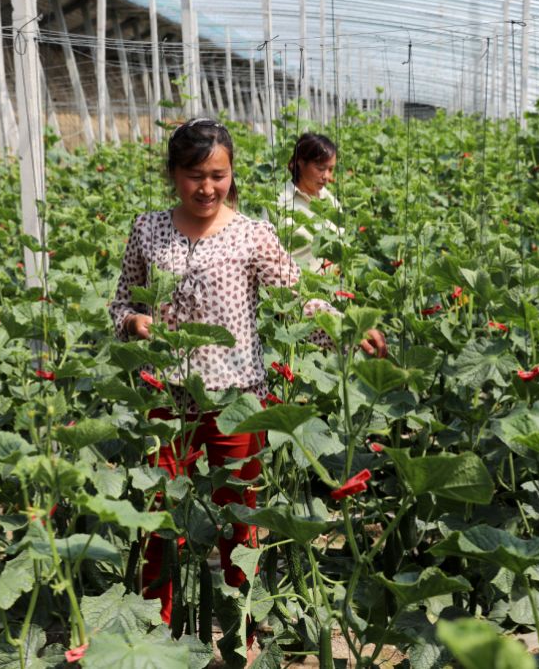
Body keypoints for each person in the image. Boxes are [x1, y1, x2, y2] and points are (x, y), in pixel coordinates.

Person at [109, 118, 386, 627]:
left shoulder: (253, 235)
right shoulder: (146, 229)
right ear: (174, 174)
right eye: (195, 175)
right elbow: (121, 300)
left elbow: (296, 298)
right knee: (158, 519)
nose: (207, 187)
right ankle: (153, 628)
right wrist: (132, 320)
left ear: (231, 174)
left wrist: (345, 327)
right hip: (165, 399)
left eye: (218, 174)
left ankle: (240, 632)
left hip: (236, 401)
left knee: (241, 521)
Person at [269, 132, 342, 272]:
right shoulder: (279, 201)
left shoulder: (332, 202)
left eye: (331, 169)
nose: (327, 176)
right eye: (320, 168)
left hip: (330, 287)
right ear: (301, 163)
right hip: (293, 289)